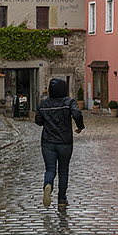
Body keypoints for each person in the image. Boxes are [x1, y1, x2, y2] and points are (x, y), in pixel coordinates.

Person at [34, 76, 83, 209]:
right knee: (63, 169)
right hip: (65, 142)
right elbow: (77, 113)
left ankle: (48, 184)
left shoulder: (43, 104)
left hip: (48, 142)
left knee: (50, 168)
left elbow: (38, 122)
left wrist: (47, 120)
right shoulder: (69, 102)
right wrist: (80, 126)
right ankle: (61, 198)